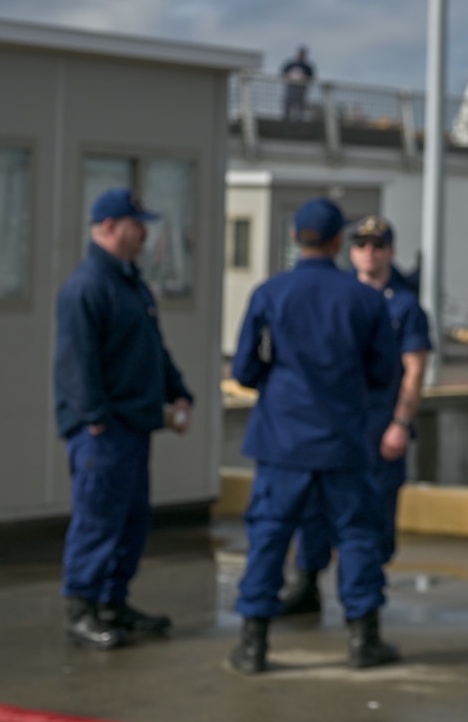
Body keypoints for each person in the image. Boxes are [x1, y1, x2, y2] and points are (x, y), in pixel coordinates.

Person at [227, 198, 403, 674]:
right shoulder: (363, 299)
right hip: (343, 438)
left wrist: (277, 380)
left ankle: (252, 645)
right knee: (357, 535)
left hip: (281, 438)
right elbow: (386, 371)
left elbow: (244, 368)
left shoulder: (270, 292)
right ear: (338, 241)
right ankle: (363, 638)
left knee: (268, 535)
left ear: (295, 239)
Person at [54, 188, 194, 650]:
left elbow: (153, 348)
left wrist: (177, 391)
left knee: (131, 519)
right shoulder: (88, 285)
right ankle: (82, 609)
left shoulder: (130, 283)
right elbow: (76, 362)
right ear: (110, 227)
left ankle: (114, 602)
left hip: (132, 424)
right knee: (98, 518)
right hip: (106, 429)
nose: (144, 232)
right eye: (137, 224)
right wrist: (94, 418)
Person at [277, 215, 431, 617]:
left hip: (380, 428)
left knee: (372, 517)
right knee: (313, 511)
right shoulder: (337, 294)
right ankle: (306, 583)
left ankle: (365, 603)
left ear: (390, 251)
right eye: (361, 245)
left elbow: (413, 369)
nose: (369, 252)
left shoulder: (405, 305)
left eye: (378, 245)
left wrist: (400, 423)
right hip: (335, 428)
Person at [280, 46, 314, 122]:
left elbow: (311, 77)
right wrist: (288, 76)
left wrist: (304, 78)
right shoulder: (291, 64)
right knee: (289, 102)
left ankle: (300, 119)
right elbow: (283, 72)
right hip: (291, 86)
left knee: (300, 104)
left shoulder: (306, 67)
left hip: (301, 88)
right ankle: (286, 118)